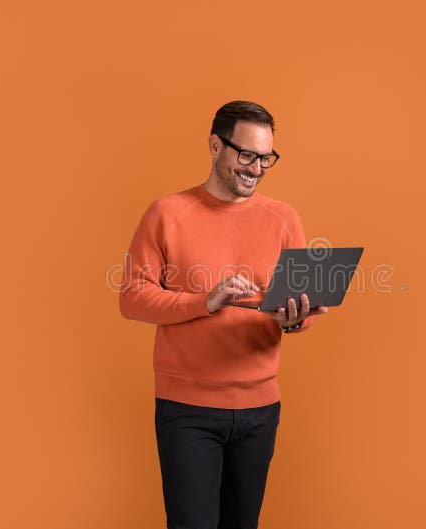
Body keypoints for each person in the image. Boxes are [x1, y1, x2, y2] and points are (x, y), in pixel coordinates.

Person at [118, 100, 327, 529]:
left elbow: (299, 311)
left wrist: (296, 318)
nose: (256, 168)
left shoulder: (285, 218)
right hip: (187, 409)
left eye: (266, 158)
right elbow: (132, 297)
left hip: (260, 408)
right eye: (246, 155)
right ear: (215, 146)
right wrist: (204, 301)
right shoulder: (167, 213)